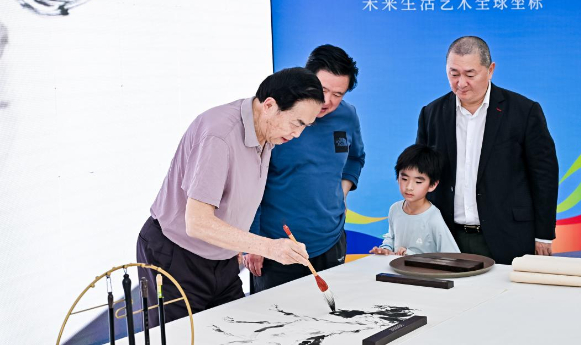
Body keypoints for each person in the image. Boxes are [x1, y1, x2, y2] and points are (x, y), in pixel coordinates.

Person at [136, 67, 324, 324]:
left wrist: (237, 243)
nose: (298, 134)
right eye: (297, 123)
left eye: (306, 126)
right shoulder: (219, 135)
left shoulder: (267, 130)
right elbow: (197, 223)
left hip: (222, 259)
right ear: (269, 105)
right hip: (175, 255)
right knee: (182, 337)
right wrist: (269, 247)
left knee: (236, 332)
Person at [416, 36, 558, 265]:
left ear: (490, 70)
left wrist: (543, 234)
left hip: (508, 235)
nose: (461, 83)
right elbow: (421, 174)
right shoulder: (431, 113)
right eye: (454, 74)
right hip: (446, 236)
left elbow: (544, 176)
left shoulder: (524, 111)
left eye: (470, 74)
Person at [244, 45, 365, 292]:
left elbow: (355, 158)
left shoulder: (347, 116)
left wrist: (342, 193)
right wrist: (255, 243)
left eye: (338, 94)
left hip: (331, 241)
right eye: (323, 90)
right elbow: (250, 182)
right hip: (278, 247)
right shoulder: (276, 116)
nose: (328, 101)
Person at [370, 144, 459, 256]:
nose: (409, 187)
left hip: (420, 268)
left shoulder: (433, 217)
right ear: (397, 177)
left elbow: (452, 256)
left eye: (418, 182)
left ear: (432, 185)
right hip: (396, 267)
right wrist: (386, 249)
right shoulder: (395, 209)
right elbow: (391, 237)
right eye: (404, 179)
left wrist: (410, 255)